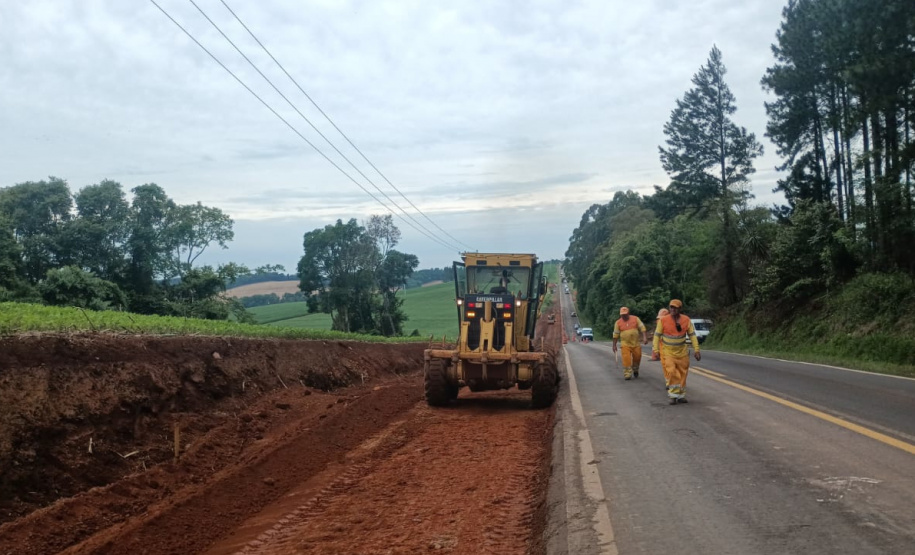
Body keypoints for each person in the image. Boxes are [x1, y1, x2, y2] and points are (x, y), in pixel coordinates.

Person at [652, 299, 700, 404]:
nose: (673, 309)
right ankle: (673, 395)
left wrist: (696, 350)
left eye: (675, 307)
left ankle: (681, 396)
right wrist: (656, 350)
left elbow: (692, 335)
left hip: (682, 353)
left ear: (680, 309)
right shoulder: (663, 320)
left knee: (683, 373)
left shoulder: (686, 320)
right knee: (672, 372)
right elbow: (657, 336)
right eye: (671, 307)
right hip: (668, 353)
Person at [612, 307, 648, 380]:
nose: (624, 316)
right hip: (625, 344)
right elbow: (615, 335)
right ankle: (627, 374)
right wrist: (614, 345)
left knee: (637, 357)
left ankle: (635, 369)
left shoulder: (635, 319)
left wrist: (645, 337)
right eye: (622, 315)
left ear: (628, 313)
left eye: (625, 314)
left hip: (636, 343)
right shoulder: (618, 323)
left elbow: (642, 328)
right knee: (626, 359)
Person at [654, 307, 670, 388]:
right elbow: (656, 336)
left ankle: (672, 380)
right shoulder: (659, 322)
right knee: (664, 364)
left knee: (671, 365)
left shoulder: (673, 323)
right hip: (662, 346)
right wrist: (656, 349)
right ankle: (668, 381)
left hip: (671, 347)